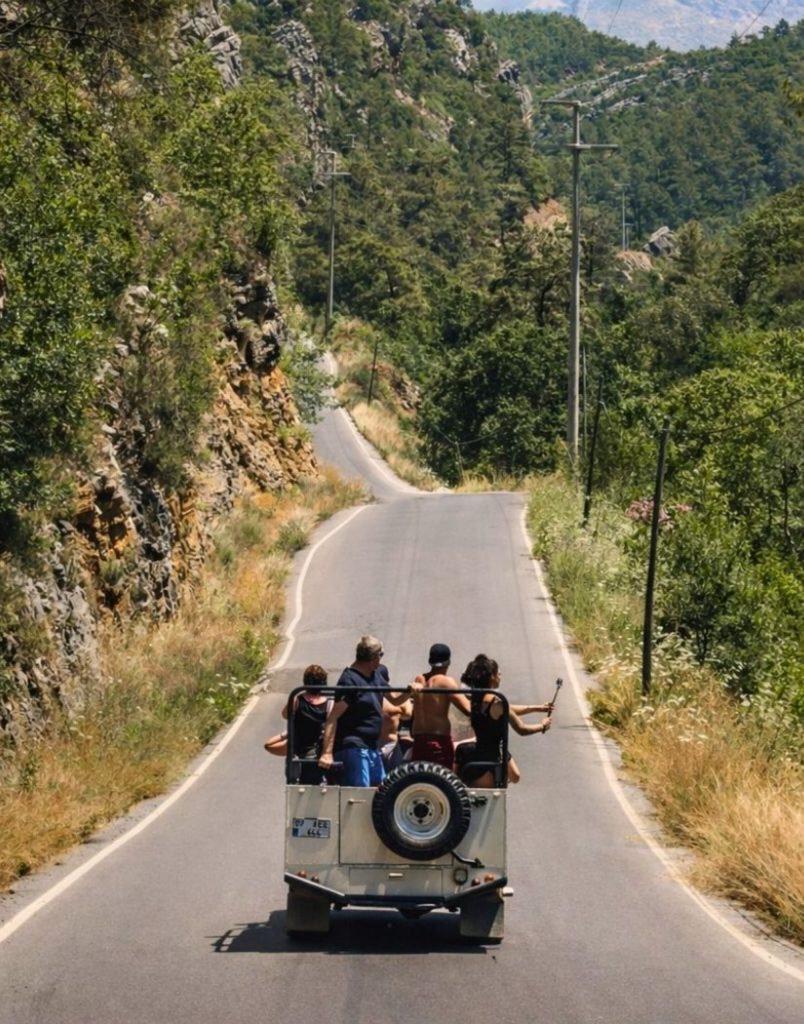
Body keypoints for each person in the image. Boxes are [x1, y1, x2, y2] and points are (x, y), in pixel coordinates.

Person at [457, 653, 552, 788]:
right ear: (492, 677)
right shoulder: (497, 703)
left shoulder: (475, 699)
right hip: (491, 762)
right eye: (499, 674)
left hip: (478, 756)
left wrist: (537, 708)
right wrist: (542, 726)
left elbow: (508, 710)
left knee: (515, 776)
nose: (500, 676)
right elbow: (522, 729)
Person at [318, 635, 389, 786]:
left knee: (382, 793)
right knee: (360, 796)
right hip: (354, 747)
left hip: (372, 747)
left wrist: (412, 690)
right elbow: (333, 717)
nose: (380, 660)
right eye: (380, 655)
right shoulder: (350, 681)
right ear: (373, 657)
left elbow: (395, 698)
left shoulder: (374, 675)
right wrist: (327, 753)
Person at [389, 642, 471, 770]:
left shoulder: (419, 679)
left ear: (429, 661)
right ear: (448, 662)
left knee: (421, 783)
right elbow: (468, 709)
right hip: (439, 743)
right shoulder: (446, 682)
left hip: (419, 742)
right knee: (442, 784)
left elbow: (397, 701)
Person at [264, 664, 331, 783]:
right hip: (317, 752)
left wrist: (286, 734)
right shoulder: (329, 704)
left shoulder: (297, 699)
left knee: (295, 785)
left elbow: (285, 715)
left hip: (298, 751)